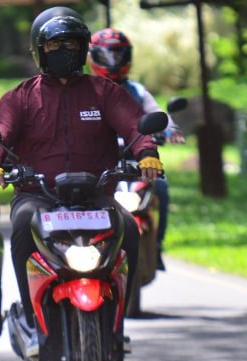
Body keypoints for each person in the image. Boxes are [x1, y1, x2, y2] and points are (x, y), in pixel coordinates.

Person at [0, 7, 165, 347]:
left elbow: (135, 125)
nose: (65, 52)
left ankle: (117, 323)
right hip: (39, 196)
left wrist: (147, 153)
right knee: (20, 226)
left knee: (130, 229)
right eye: (55, 45)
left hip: (95, 195)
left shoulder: (103, 91)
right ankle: (32, 318)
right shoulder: (22, 95)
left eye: (72, 44)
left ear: (83, 50)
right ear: (39, 49)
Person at [88, 28, 186, 271]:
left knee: (160, 187)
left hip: (135, 162)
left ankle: (158, 245)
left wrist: (170, 130)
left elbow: (156, 113)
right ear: (92, 57)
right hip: (99, 164)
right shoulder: (86, 90)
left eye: (118, 55)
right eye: (107, 56)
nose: (113, 62)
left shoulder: (137, 91)